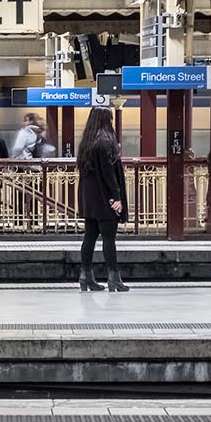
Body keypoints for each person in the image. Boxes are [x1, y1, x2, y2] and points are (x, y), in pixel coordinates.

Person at [76, 107, 128, 292]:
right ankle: (114, 277)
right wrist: (116, 197)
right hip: (104, 198)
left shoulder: (86, 142)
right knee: (109, 238)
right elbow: (108, 174)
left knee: (89, 236)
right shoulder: (106, 141)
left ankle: (85, 276)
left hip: (89, 198)